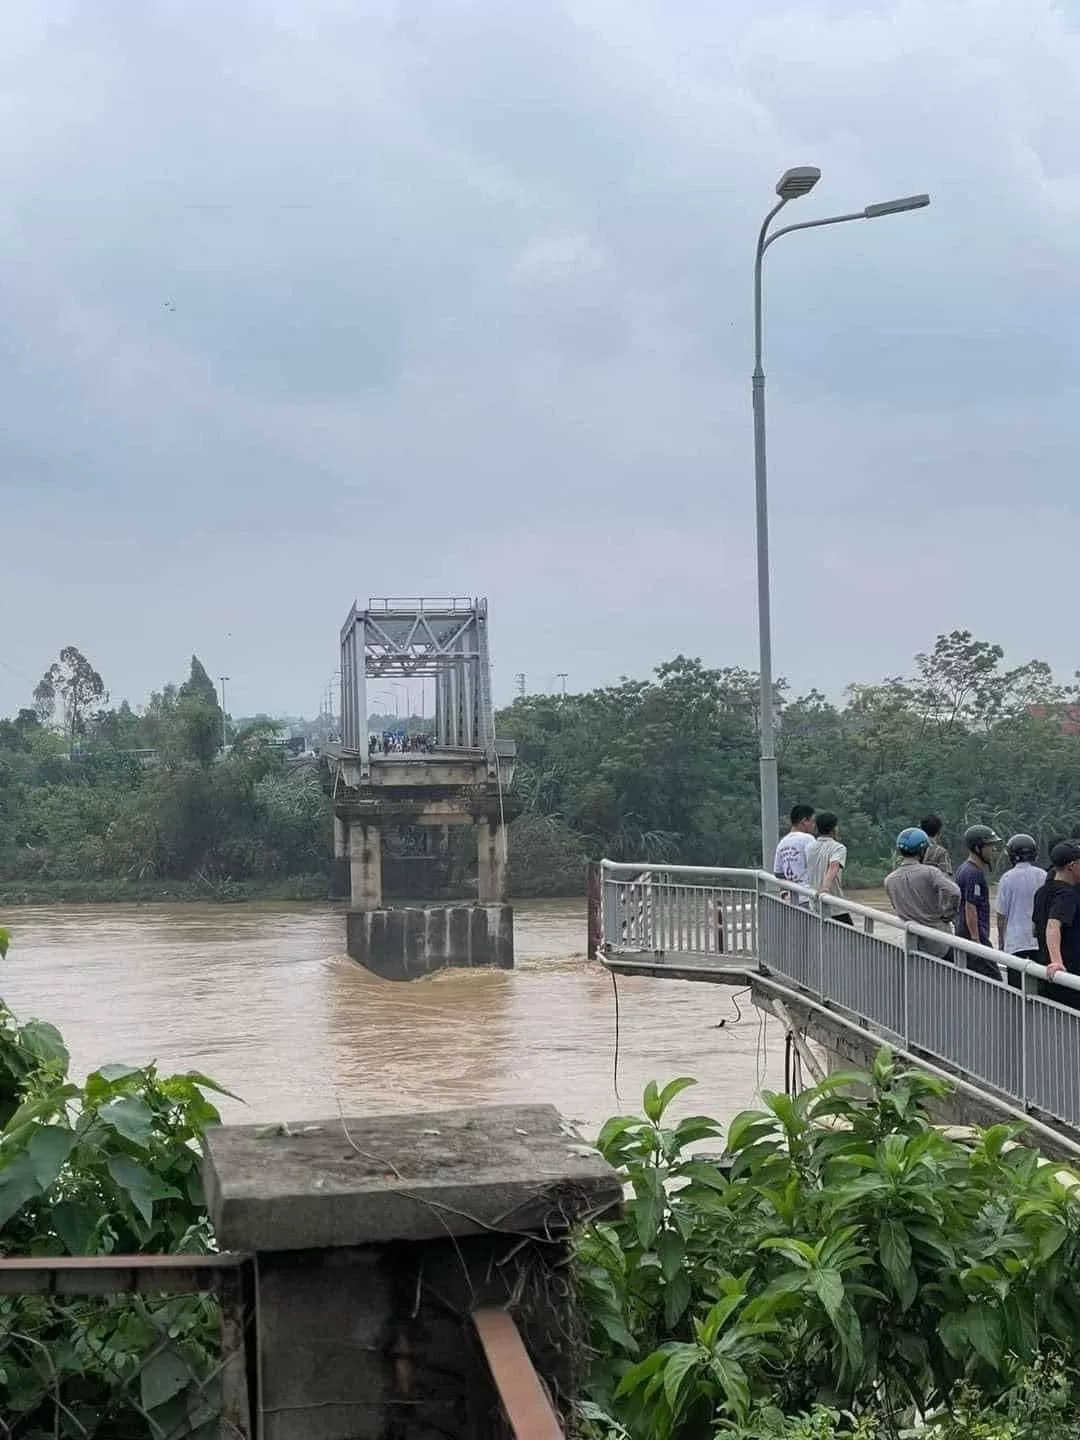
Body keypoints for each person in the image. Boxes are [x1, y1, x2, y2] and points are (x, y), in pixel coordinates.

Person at [883, 827, 961, 958]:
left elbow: (896, 908)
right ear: (923, 850)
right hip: (940, 941)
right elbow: (955, 891)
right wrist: (949, 913)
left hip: (912, 942)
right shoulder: (930, 872)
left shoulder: (889, 880)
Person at [1033, 839, 1080, 1010]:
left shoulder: (1042, 892)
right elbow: (1053, 925)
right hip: (1068, 975)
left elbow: (1036, 928)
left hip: (1046, 975)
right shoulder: (1067, 894)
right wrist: (1057, 962)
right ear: (1072, 866)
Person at [994, 833, 1044, 990]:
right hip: (1039, 941)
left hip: (1015, 942)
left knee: (1016, 989)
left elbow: (1001, 915)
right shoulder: (1043, 875)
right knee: (1040, 989)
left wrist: (1001, 941)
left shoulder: (1007, 878)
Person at [954, 824, 1002, 980]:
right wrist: (976, 940)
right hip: (975, 939)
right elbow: (970, 906)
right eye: (990, 846)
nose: (993, 850)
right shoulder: (974, 873)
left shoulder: (963, 868)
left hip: (965, 936)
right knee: (997, 983)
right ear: (977, 848)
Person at [805, 812, 852, 924]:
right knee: (856, 939)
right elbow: (833, 867)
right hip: (833, 905)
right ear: (834, 829)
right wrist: (824, 889)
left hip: (815, 903)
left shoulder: (809, 847)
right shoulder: (838, 848)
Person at [773, 804, 816, 901]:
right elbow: (817, 865)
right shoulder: (808, 839)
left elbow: (778, 873)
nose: (814, 825)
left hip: (792, 899)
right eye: (812, 821)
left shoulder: (782, 843)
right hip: (808, 897)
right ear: (804, 821)